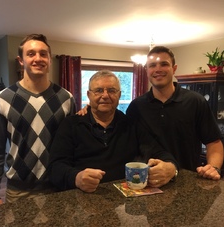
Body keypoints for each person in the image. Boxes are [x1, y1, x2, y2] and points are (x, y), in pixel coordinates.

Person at [49, 70, 179, 193]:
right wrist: (76, 178)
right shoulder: (70, 125)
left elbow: (158, 151)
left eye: (111, 90)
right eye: (98, 90)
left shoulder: (132, 124)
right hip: (82, 199)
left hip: (124, 203)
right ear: (89, 95)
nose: (105, 95)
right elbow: (55, 167)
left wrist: (171, 168)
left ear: (119, 95)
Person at [0, 34, 76, 206]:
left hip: (58, 188)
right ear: (21, 60)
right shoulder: (2, 99)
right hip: (18, 191)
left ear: (50, 60)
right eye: (31, 54)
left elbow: (72, 145)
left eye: (43, 54)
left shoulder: (66, 98)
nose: (38, 58)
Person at [126, 46, 224, 180]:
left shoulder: (195, 101)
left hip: (187, 182)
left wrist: (214, 167)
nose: (158, 69)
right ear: (147, 71)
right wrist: (89, 110)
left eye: (164, 64)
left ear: (174, 68)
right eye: (152, 65)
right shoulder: (136, 107)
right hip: (147, 182)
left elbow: (214, 142)